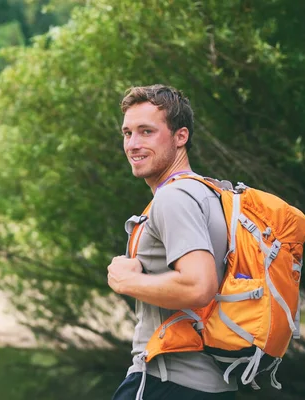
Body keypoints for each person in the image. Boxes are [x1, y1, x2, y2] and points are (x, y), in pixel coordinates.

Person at [107, 84, 238, 400]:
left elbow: (199, 286)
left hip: (166, 381)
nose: (133, 145)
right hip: (214, 385)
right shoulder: (210, 193)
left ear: (181, 136)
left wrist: (127, 281)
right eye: (128, 133)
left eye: (146, 132)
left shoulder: (174, 197)